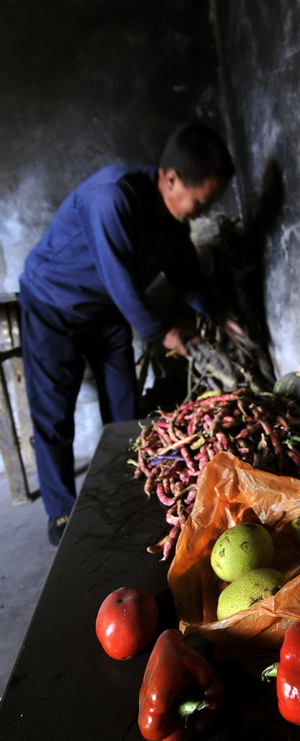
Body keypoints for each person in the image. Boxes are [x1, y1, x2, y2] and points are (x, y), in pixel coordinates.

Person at [19, 123, 236, 545]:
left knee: (124, 408)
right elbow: (119, 279)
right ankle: (62, 513)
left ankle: (132, 488)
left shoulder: (173, 222)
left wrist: (219, 311)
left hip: (105, 313)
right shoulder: (112, 197)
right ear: (171, 179)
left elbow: (186, 275)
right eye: (202, 201)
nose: (204, 213)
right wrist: (163, 333)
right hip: (53, 304)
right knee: (53, 414)